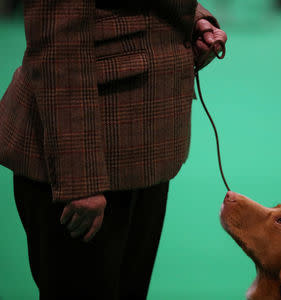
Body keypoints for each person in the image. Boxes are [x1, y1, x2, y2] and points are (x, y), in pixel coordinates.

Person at [0, 0, 227, 299]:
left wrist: (194, 19)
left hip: (147, 150)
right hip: (83, 162)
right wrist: (80, 179)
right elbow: (59, 50)